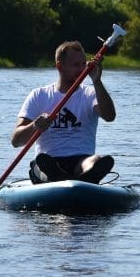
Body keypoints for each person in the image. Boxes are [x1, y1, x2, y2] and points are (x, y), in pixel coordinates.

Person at [12, 40, 118, 184]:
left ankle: (88, 175)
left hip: (81, 160)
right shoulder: (39, 95)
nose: (82, 69)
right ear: (60, 66)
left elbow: (109, 116)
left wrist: (97, 81)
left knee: (94, 161)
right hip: (48, 161)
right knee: (44, 165)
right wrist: (34, 126)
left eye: (83, 64)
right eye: (76, 65)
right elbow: (16, 141)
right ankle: (56, 177)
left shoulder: (91, 94)